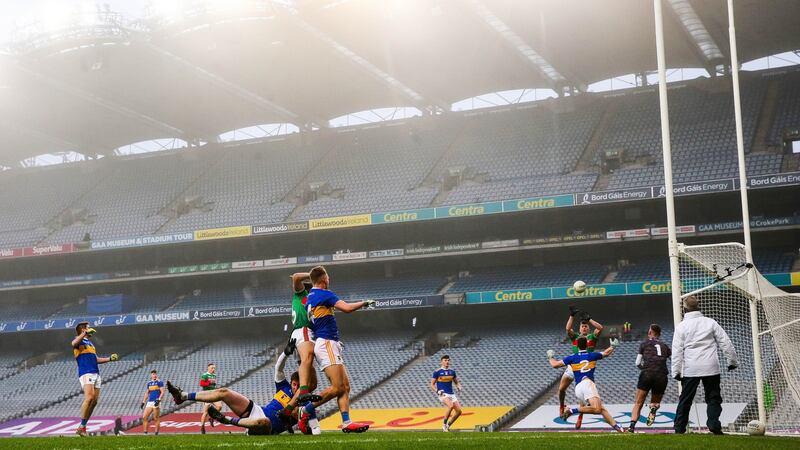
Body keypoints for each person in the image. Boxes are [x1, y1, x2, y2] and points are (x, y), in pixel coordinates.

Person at [166, 343, 305, 435]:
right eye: (294, 384)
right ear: (291, 382)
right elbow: (278, 369)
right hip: (258, 410)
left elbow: (300, 419)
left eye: (298, 385)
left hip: (268, 428)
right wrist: (285, 354)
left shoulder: (304, 401)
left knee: (265, 421)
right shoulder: (284, 387)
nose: (295, 387)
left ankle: (227, 420)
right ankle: (182, 396)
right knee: (224, 392)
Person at [300, 265, 374, 433]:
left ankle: (347, 422)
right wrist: (364, 302)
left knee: (345, 387)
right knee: (337, 387)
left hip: (328, 342)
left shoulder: (309, 298)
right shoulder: (326, 294)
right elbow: (347, 308)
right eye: (328, 276)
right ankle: (306, 410)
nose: (329, 279)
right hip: (327, 343)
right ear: (323, 279)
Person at [671, 296, 738, 435]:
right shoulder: (710, 322)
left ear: (684, 309)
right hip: (711, 366)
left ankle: (679, 428)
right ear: (699, 306)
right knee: (713, 397)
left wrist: (676, 372)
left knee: (685, 399)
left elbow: (677, 351)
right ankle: (714, 424)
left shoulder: (681, 326)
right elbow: (725, 342)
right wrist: (732, 362)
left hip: (691, 368)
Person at [548, 336, 623, 432]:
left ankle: (618, 427)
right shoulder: (592, 355)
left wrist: (550, 357)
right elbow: (606, 353)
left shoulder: (572, 357)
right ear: (587, 345)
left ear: (577, 346)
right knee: (597, 409)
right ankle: (572, 411)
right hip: (587, 384)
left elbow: (555, 365)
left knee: (601, 409)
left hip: (578, 388)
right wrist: (613, 346)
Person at [559, 306, 604, 429]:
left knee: (582, 398)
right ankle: (562, 406)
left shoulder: (592, 338)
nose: (584, 327)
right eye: (582, 326)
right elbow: (568, 328)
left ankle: (580, 416)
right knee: (561, 389)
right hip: (572, 367)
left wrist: (589, 319)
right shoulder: (576, 337)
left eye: (586, 326)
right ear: (579, 329)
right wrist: (572, 315)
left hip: (585, 369)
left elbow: (600, 328)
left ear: (588, 328)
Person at [286, 272, 320, 433]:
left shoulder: (308, 301)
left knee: (312, 384)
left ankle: (291, 411)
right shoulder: (302, 295)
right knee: (307, 386)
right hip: (303, 332)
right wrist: (312, 275)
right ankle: (309, 420)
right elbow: (296, 278)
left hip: (301, 334)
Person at [71, 321, 119, 437]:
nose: (90, 329)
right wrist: (84, 334)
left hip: (96, 373)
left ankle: (82, 426)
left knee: (94, 401)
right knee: (89, 397)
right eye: (87, 328)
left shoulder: (90, 344)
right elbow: (73, 343)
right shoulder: (79, 340)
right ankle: (82, 426)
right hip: (86, 373)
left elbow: (96, 359)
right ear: (83, 330)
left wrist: (109, 359)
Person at [628, 324, 671, 432]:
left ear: (650, 332)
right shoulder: (665, 346)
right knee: (655, 402)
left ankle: (631, 426)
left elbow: (637, 363)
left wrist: (644, 368)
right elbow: (673, 360)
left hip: (647, 374)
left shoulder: (644, 344)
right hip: (661, 376)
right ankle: (653, 408)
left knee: (638, 402)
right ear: (659, 334)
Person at [430, 354, 463, 432]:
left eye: (448, 360)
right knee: (450, 406)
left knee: (459, 411)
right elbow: (431, 384)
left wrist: (459, 386)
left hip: (451, 393)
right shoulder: (437, 372)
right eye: (445, 360)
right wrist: (437, 391)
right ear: (441, 362)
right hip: (443, 393)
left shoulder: (452, 372)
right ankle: (444, 425)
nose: (447, 362)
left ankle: (448, 425)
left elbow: (456, 382)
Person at [199, 363, 222, 434]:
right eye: (212, 368)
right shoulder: (205, 375)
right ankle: (202, 427)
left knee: (219, 406)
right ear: (208, 368)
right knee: (205, 412)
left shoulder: (214, 375)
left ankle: (211, 418)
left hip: (213, 394)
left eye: (214, 368)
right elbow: (201, 384)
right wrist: (208, 382)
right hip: (207, 395)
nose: (213, 369)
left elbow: (213, 385)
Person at [140, 370, 165, 435]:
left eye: (155, 374)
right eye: (153, 374)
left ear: (157, 375)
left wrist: (159, 400)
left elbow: (162, 392)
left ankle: (156, 433)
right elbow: (147, 393)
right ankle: (145, 433)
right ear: (151, 375)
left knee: (156, 418)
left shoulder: (160, 382)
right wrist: (143, 402)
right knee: (144, 417)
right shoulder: (149, 383)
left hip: (156, 401)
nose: (154, 375)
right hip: (150, 402)